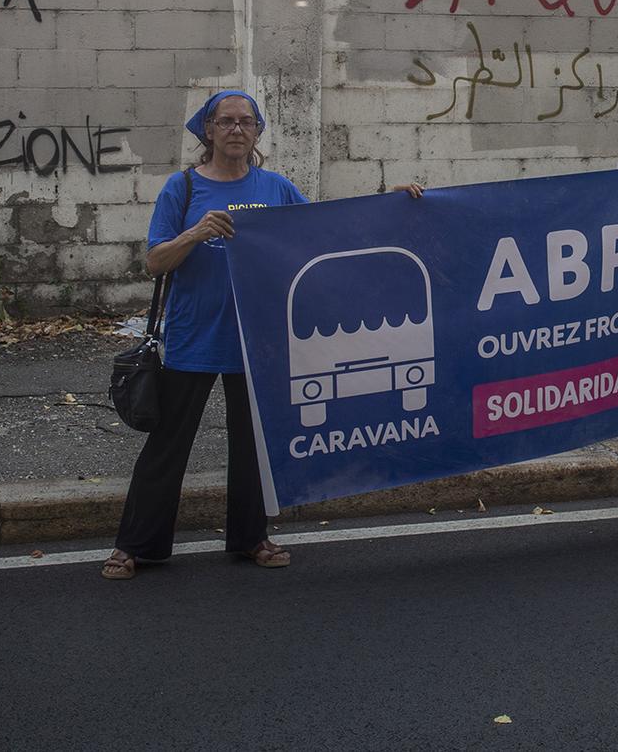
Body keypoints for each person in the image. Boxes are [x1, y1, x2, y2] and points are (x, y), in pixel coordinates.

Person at [102, 90, 424, 579]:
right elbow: (154, 261)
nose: (236, 129)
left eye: (246, 122)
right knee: (169, 444)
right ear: (207, 130)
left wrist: (391, 206)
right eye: (226, 121)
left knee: (252, 445)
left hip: (260, 340)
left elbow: (326, 233)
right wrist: (195, 234)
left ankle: (250, 537)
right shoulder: (182, 188)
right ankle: (136, 545)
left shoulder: (276, 188)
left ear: (257, 132)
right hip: (195, 338)